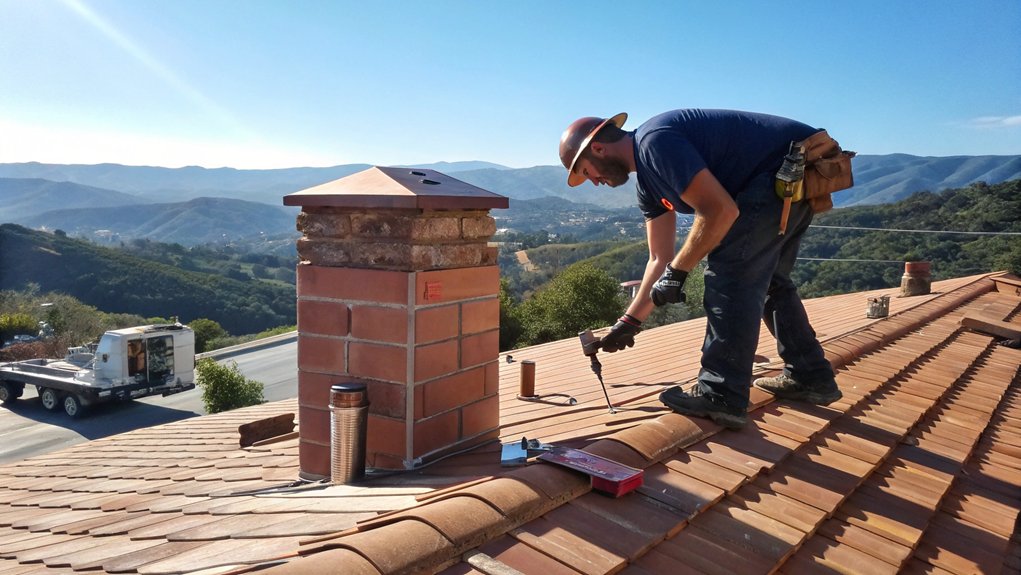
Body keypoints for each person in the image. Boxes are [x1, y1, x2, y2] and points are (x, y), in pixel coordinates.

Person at [558, 109, 842, 429]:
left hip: (783, 170)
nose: (594, 182)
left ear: (598, 148)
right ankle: (811, 377)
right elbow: (659, 259)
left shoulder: (655, 142)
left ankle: (721, 393)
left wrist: (679, 272)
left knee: (730, 276)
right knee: (770, 281)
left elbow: (719, 210)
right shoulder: (648, 186)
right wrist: (629, 321)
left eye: (586, 172)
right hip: (792, 177)